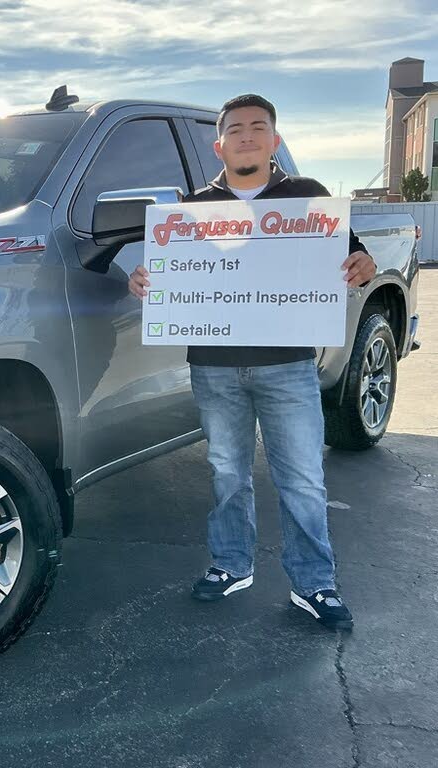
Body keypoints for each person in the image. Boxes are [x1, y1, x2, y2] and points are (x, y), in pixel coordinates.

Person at [128, 94, 376, 630]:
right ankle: (231, 564)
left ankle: (314, 583)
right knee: (226, 472)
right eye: (235, 129)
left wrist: (363, 260)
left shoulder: (307, 198)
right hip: (215, 367)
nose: (246, 136)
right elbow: (169, 276)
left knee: (303, 478)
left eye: (258, 128)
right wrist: (146, 282)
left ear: (274, 141)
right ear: (219, 145)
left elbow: (352, 255)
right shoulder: (191, 210)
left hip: (287, 364)